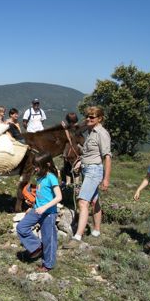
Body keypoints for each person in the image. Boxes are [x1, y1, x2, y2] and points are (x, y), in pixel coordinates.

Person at [64, 106, 111, 249]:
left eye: (92, 117)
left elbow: (107, 157)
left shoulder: (102, 133)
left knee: (83, 202)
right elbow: (90, 153)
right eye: (87, 117)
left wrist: (106, 179)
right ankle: (96, 231)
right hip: (87, 169)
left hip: (94, 171)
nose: (89, 119)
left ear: (99, 119)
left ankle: (77, 237)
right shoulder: (90, 131)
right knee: (94, 200)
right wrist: (80, 161)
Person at [16, 152, 62, 272]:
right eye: (35, 166)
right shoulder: (40, 177)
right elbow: (40, 195)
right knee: (21, 227)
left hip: (48, 213)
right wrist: (33, 206)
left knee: (48, 239)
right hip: (37, 210)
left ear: (47, 164)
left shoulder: (51, 177)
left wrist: (45, 207)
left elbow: (58, 197)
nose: (35, 168)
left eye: (37, 166)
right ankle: (37, 247)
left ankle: (48, 264)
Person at [61, 112, 80, 186]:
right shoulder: (78, 127)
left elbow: (69, 138)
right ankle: (77, 185)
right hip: (77, 150)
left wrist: (65, 128)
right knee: (76, 169)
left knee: (67, 168)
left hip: (70, 150)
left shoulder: (70, 128)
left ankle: (68, 184)